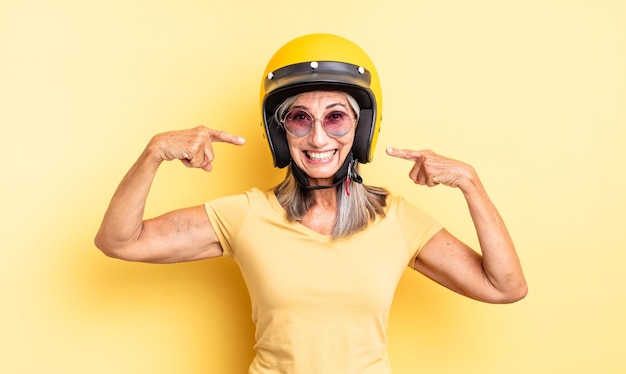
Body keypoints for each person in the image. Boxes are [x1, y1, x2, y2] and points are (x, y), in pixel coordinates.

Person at [95, 33, 527, 373]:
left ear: (361, 129)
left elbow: (505, 286)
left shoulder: (396, 220)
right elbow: (120, 241)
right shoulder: (246, 215)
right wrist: (153, 153)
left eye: (336, 117)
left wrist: (471, 183)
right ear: (281, 133)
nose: (318, 138)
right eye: (300, 118)